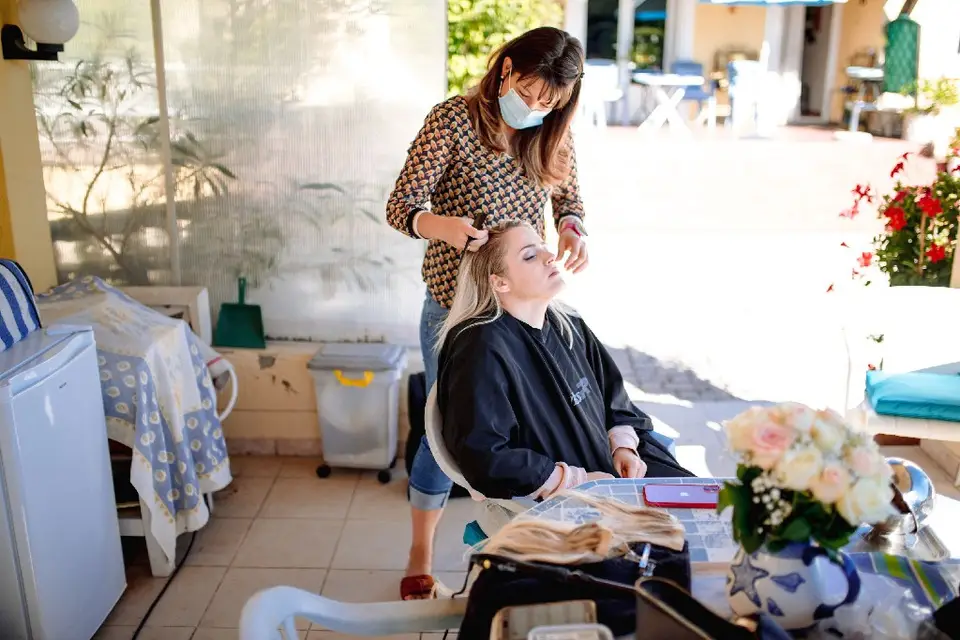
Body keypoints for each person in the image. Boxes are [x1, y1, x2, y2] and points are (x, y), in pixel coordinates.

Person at [386, 26, 591, 600]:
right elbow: (400, 206)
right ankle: (421, 552)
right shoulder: (452, 120)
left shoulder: (552, 130)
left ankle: (519, 545)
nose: (535, 108)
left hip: (521, 306)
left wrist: (572, 227)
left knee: (528, 429)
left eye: (549, 102)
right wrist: (440, 226)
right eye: (527, 93)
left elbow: (569, 198)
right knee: (447, 434)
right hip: (454, 308)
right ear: (505, 70)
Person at [437, 222, 694, 505]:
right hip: (569, 499)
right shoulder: (480, 347)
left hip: (618, 472)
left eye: (544, 246)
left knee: (709, 505)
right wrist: (575, 481)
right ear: (499, 282)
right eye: (530, 255)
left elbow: (615, 399)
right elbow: (484, 453)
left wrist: (623, 446)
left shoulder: (568, 324)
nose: (550, 256)